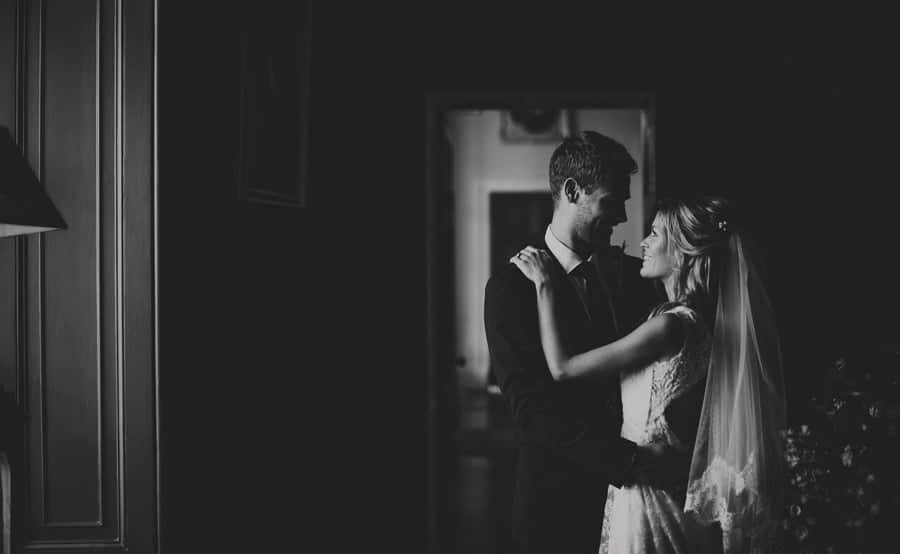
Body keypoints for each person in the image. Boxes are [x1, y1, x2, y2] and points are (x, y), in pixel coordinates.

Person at [510, 196, 787, 553]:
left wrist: (545, 285)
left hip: (648, 489)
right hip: (661, 482)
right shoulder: (695, 323)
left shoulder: (668, 327)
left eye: (655, 234)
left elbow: (564, 369)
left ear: (681, 252)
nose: (642, 242)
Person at [484, 131, 687, 554]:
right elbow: (531, 408)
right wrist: (628, 460)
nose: (622, 216)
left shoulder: (638, 275)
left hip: (640, 503)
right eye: (612, 202)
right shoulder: (510, 288)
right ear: (573, 191)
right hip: (556, 502)